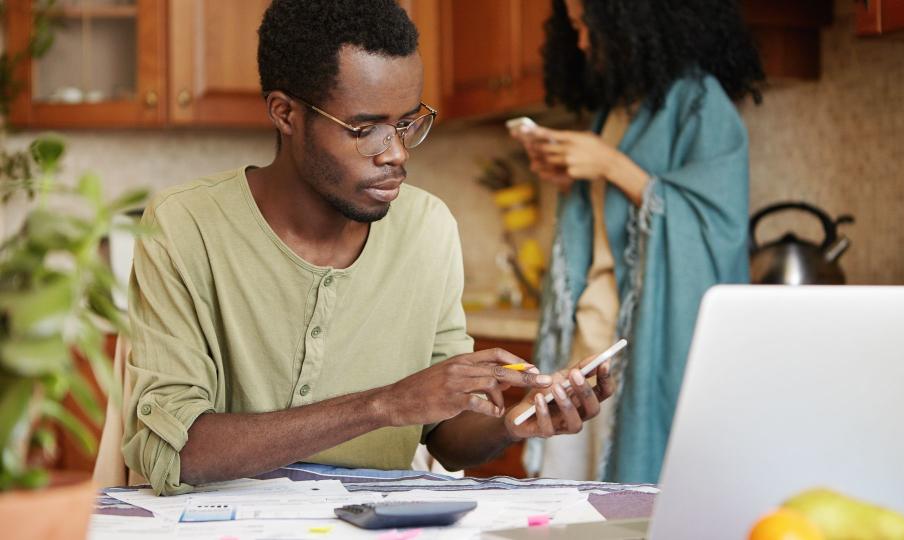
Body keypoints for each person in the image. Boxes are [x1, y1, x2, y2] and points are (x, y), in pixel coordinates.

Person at [122, 0, 615, 496]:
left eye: (407, 123)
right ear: (285, 114)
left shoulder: (428, 228)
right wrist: (384, 405)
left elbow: (446, 437)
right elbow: (177, 451)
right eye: (365, 129)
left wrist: (513, 423)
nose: (396, 152)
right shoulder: (184, 225)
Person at [512, 0, 765, 483]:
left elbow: (718, 226)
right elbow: (614, 218)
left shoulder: (698, 100)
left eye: (588, 25)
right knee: (571, 505)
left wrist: (606, 163)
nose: (582, 41)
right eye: (575, 28)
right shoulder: (614, 109)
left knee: (622, 510)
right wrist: (571, 179)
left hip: (645, 347)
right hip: (588, 340)